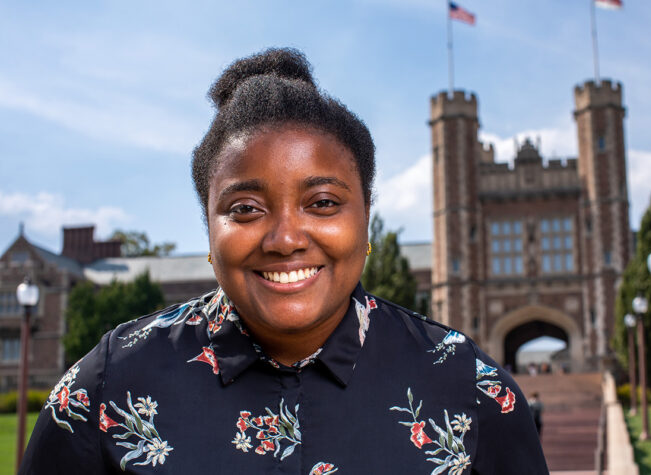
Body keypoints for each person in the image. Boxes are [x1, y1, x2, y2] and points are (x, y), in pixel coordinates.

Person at [21, 48, 548, 474]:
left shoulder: (463, 381)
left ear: (366, 220)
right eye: (245, 209)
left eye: (322, 203)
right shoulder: (112, 383)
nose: (285, 238)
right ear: (210, 229)